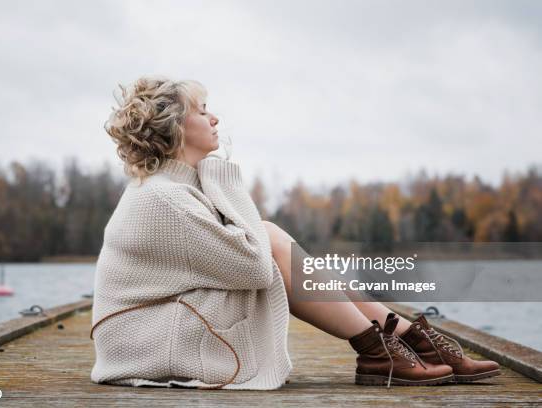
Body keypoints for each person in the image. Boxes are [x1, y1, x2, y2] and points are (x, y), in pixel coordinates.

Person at [89, 75, 500, 390]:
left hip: (167, 325)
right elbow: (253, 267)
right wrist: (226, 180)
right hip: (143, 344)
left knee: (274, 242)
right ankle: (383, 348)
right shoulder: (164, 199)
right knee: (268, 240)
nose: (215, 118)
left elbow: (248, 259)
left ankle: (399, 341)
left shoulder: (176, 189)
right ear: (175, 127)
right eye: (202, 110)